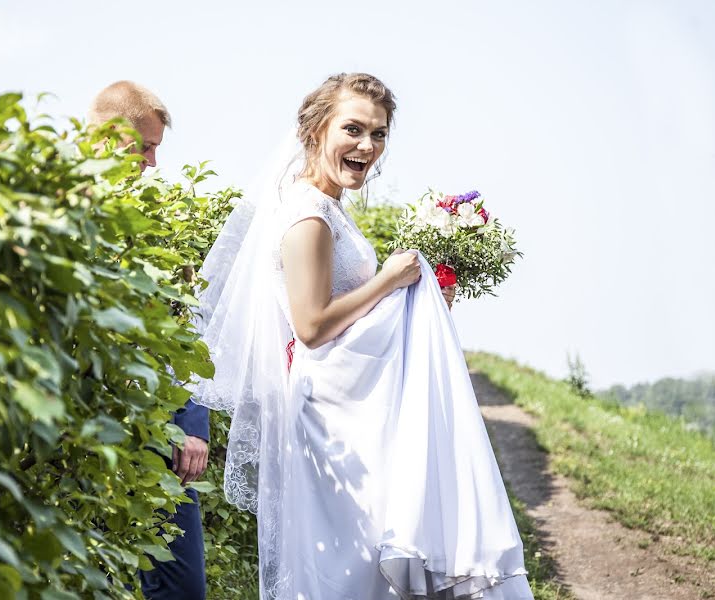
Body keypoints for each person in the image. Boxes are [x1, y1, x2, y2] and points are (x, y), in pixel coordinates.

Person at [191, 73, 533, 599]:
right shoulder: (308, 216)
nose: (367, 146)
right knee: (349, 568)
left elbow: (347, 317)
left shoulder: (328, 207)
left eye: (379, 134)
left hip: (352, 413)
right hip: (330, 424)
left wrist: (412, 305)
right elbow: (312, 326)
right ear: (314, 130)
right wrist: (389, 282)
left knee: (368, 561)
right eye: (353, 129)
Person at [88, 80, 208, 600]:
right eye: (146, 146)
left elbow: (192, 334)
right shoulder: (55, 217)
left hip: (167, 448)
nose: (153, 163)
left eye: (157, 147)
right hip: (87, 449)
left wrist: (194, 424)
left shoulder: (163, 222)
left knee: (184, 590)